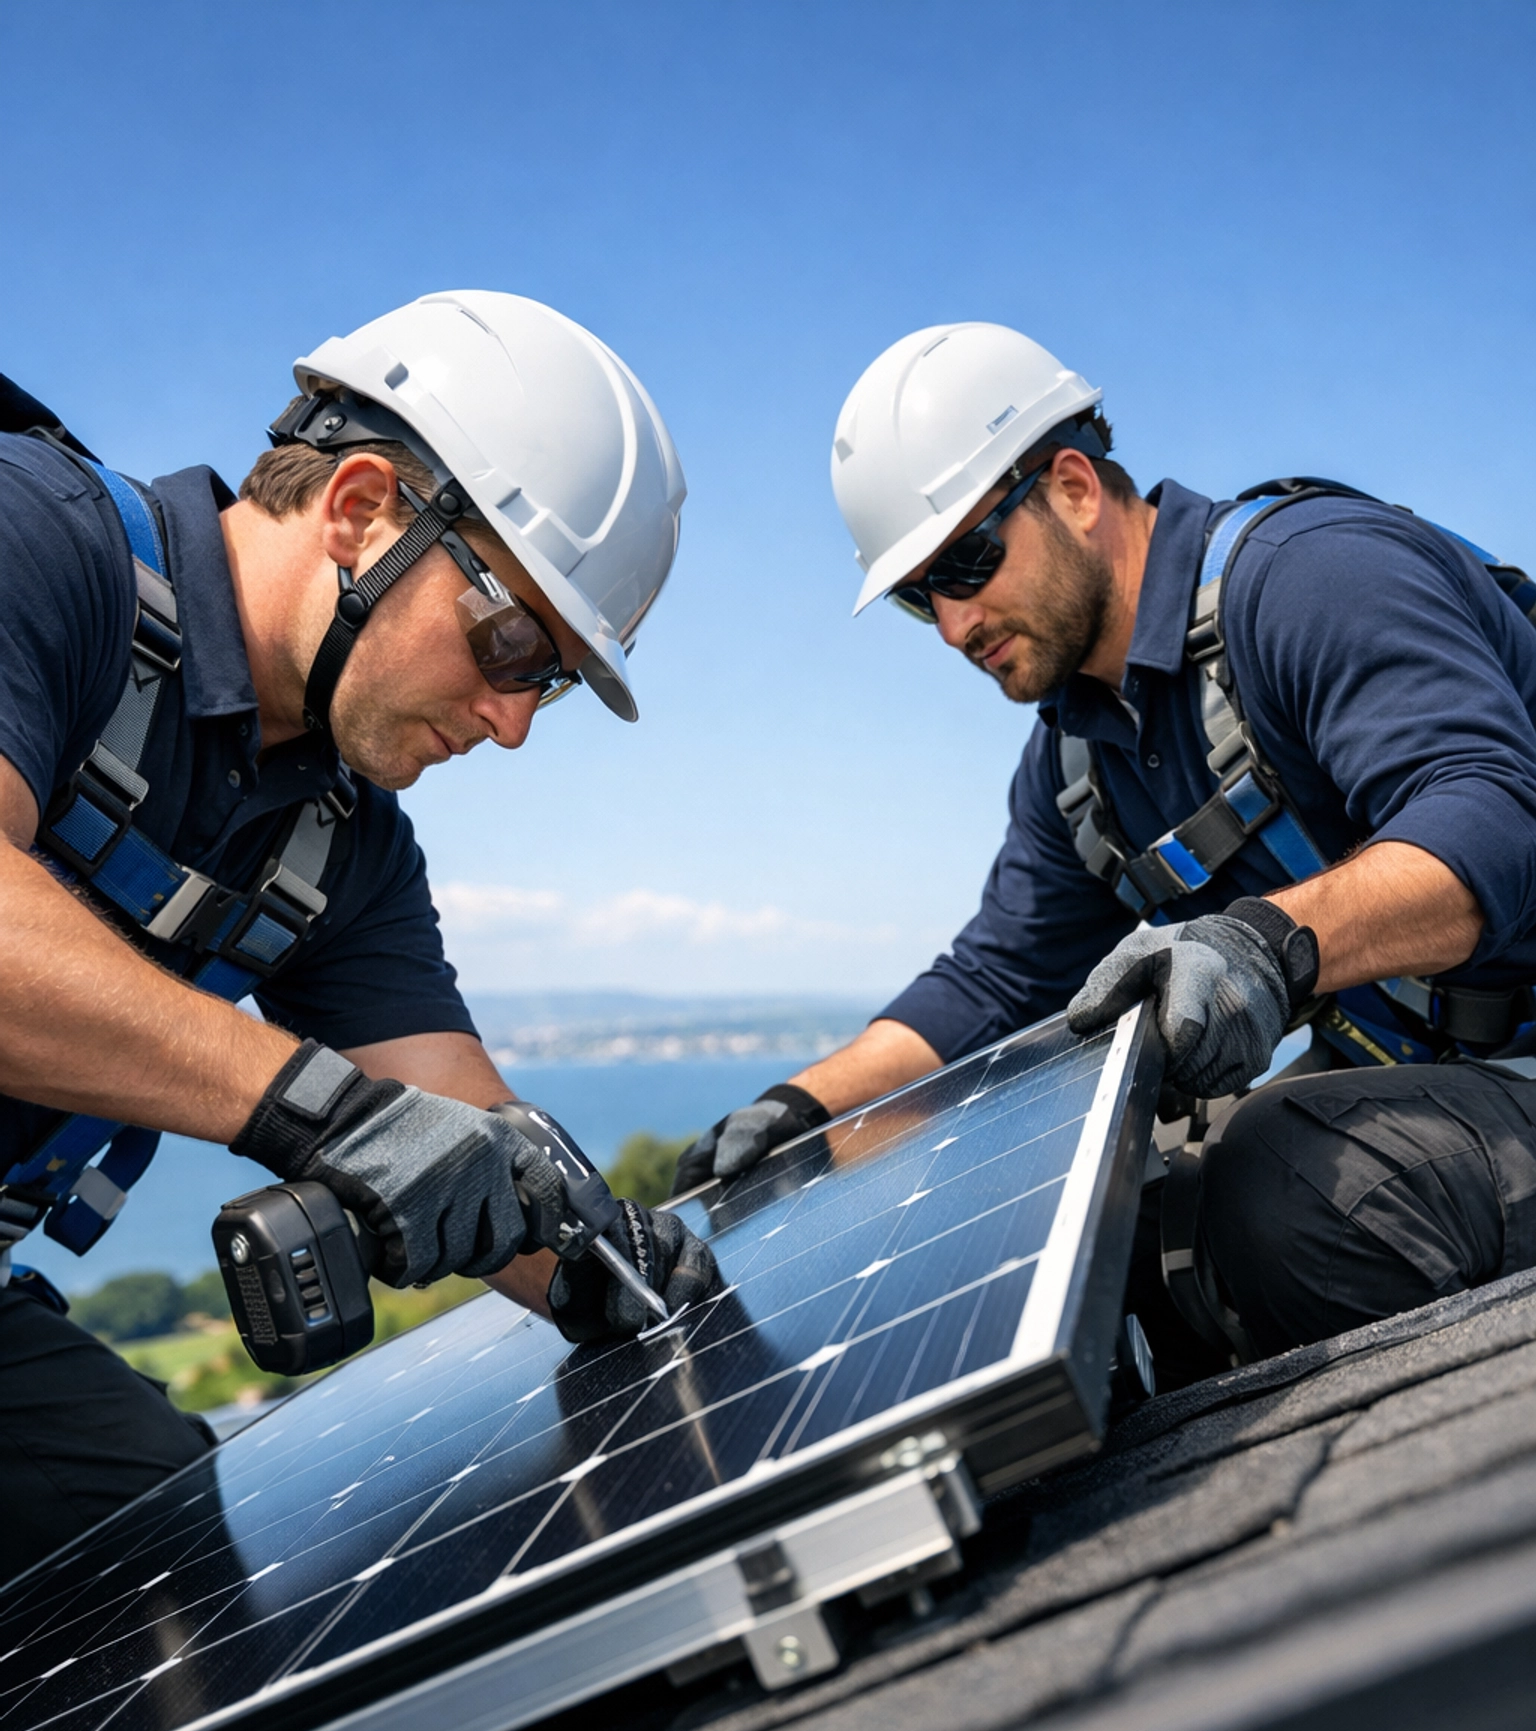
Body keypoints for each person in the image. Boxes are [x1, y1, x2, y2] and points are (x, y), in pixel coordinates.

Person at [676, 320, 1536, 1378]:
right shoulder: (1078, 760)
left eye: (967, 561)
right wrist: (798, 1112)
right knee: (1087, 1239)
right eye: (918, 596)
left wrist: (1268, 944)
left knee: (1290, 1185)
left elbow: (1489, 819)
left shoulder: (1311, 577)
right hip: (1438, 1077)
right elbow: (995, 981)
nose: (953, 625)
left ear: (1075, 488)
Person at [0, 290, 716, 1557]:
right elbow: (362, 1121)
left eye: (545, 678)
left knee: (155, 1563)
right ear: (360, 509)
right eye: (508, 642)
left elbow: (463, 1138)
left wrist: (619, 1275)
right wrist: (316, 1113)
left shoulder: (340, 846)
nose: (512, 724)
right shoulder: (35, 544)